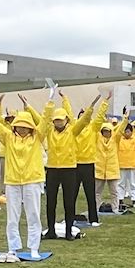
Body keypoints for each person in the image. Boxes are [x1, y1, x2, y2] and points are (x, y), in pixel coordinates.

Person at [0, 103, 47, 260]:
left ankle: (34, 248)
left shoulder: (37, 137)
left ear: (30, 127)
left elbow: (45, 122)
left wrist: (48, 103)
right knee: (12, 216)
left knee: (33, 214)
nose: (22, 129)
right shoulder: (8, 137)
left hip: (33, 180)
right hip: (13, 181)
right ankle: (13, 248)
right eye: (19, 126)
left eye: (25, 126)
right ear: (14, 126)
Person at [41, 93, 99, 236]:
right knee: (51, 202)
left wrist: (91, 108)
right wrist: (31, 106)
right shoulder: (49, 131)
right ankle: (51, 231)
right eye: (56, 120)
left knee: (69, 201)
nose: (58, 123)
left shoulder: (73, 130)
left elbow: (84, 120)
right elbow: (41, 119)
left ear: (67, 120)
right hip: (53, 169)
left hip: (69, 170)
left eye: (61, 120)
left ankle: (68, 232)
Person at [72, 94, 111, 225]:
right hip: (75, 164)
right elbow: (67, 111)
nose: (83, 117)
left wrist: (104, 102)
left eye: (85, 115)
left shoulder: (93, 128)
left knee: (90, 194)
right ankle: (69, 218)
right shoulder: (74, 129)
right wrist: (65, 99)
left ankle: (93, 219)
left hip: (88, 164)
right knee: (72, 194)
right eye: (81, 115)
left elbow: (100, 116)